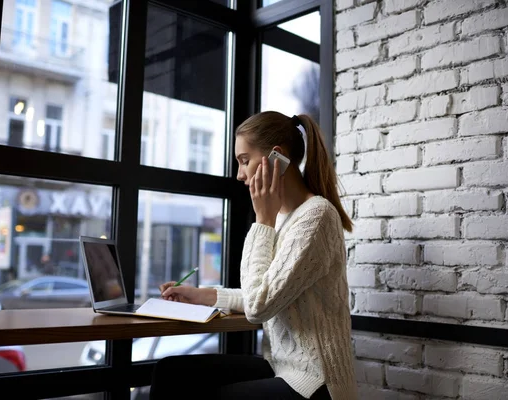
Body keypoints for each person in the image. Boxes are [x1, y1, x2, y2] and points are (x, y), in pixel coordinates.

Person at [149, 111, 357, 400]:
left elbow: (258, 307)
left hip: (316, 382)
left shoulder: (316, 217)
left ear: (276, 158)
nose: (239, 174)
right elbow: (264, 293)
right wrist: (201, 295)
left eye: (244, 161)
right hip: (281, 368)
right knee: (171, 373)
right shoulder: (285, 218)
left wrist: (263, 221)